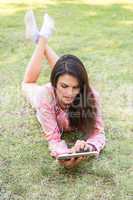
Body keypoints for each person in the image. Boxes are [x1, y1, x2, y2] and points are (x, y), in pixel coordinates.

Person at [22, 10, 106, 168]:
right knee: (28, 83)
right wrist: (63, 155)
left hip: (58, 84)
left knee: (66, 70)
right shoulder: (44, 94)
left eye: (76, 87)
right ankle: (42, 38)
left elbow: (98, 132)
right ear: (54, 83)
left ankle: (40, 38)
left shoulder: (90, 95)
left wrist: (89, 147)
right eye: (64, 86)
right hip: (42, 98)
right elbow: (53, 138)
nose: (69, 94)